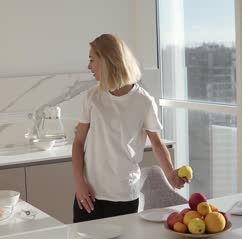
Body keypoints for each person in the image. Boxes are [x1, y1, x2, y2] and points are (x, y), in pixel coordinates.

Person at [72, 34, 186, 223]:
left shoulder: (143, 101)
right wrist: (79, 183)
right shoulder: (92, 97)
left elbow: (157, 143)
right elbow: (78, 143)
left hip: (124, 195)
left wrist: (171, 174)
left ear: (108, 61)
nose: (89, 66)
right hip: (89, 194)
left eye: (92, 60)